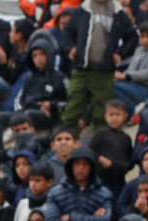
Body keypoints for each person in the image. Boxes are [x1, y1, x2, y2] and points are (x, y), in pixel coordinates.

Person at [60, 0, 136, 130]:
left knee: (102, 115)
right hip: (80, 70)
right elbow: (67, 33)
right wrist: (71, 48)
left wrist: (119, 53)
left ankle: (100, 146)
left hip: (104, 73)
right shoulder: (82, 10)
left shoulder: (118, 12)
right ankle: (64, 143)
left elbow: (132, 37)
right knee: (71, 111)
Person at [45, 146, 115, 221]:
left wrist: (71, 218)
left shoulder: (104, 194)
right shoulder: (55, 193)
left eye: (85, 164)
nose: (81, 167)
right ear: (71, 166)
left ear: (92, 167)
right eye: (77, 163)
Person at [115, 22, 148, 107]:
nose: (145, 40)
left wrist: (125, 76)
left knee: (114, 88)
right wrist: (119, 77)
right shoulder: (139, 49)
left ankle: (136, 112)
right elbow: (131, 69)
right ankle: (135, 113)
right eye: (142, 36)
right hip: (136, 86)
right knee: (111, 87)